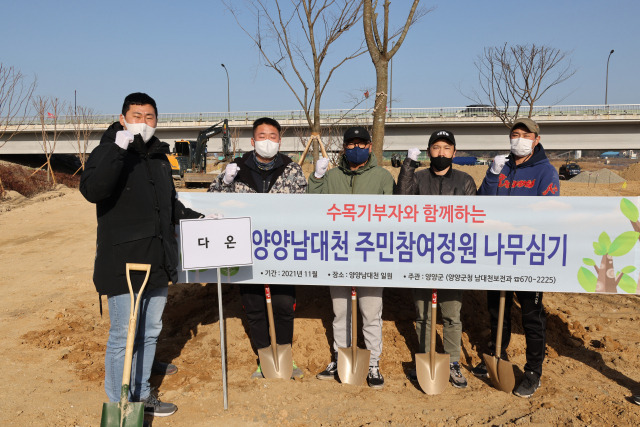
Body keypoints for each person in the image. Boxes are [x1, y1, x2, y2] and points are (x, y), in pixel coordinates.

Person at [80, 92, 202, 417]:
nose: (143, 122)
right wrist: (119, 150)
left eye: (149, 117)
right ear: (123, 119)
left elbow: (168, 203)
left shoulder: (159, 157)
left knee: (150, 329)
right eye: (136, 116)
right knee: (123, 333)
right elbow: (93, 190)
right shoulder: (108, 151)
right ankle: (120, 401)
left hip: (158, 257)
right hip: (124, 261)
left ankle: (142, 390)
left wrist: (196, 218)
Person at [208, 117, 307, 379]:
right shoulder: (236, 169)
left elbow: (305, 206)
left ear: (279, 140)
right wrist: (225, 182)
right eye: (262, 136)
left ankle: (286, 355)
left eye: (272, 136)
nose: (267, 141)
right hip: (245, 248)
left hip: (282, 250)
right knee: (253, 305)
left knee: (284, 304)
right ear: (252, 141)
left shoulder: (292, 169)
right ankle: (264, 357)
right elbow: (209, 203)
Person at [472, 117, 559, 398]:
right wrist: (492, 175)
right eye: (514, 133)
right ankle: (497, 353)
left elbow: (548, 211)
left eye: (525, 134)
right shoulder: (503, 167)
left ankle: (533, 372)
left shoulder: (545, 172)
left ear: (536, 139)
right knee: (498, 309)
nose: (518, 138)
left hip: (528, 254)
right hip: (498, 252)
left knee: (532, 316)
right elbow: (482, 203)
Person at [308, 126, 395, 389]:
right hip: (338, 253)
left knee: (370, 312)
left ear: (370, 147)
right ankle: (339, 356)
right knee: (340, 311)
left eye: (361, 144)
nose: (356, 148)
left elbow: (391, 214)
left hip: (371, 254)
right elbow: (312, 208)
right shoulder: (332, 176)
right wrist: (316, 178)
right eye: (350, 144)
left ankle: (372, 363)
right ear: (343, 148)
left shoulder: (382, 177)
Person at [395, 129, 476, 389]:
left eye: (446, 148)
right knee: (422, 315)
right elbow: (402, 203)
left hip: (452, 257)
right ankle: (425, 357)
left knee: (452, 314)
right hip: (421, 256)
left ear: (454, 152)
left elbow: (473, 218)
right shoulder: (417, 178)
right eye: (436, 147)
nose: (441, 153)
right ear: (429, 151)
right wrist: (407, 167)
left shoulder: (465, 181)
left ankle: (452, 361)